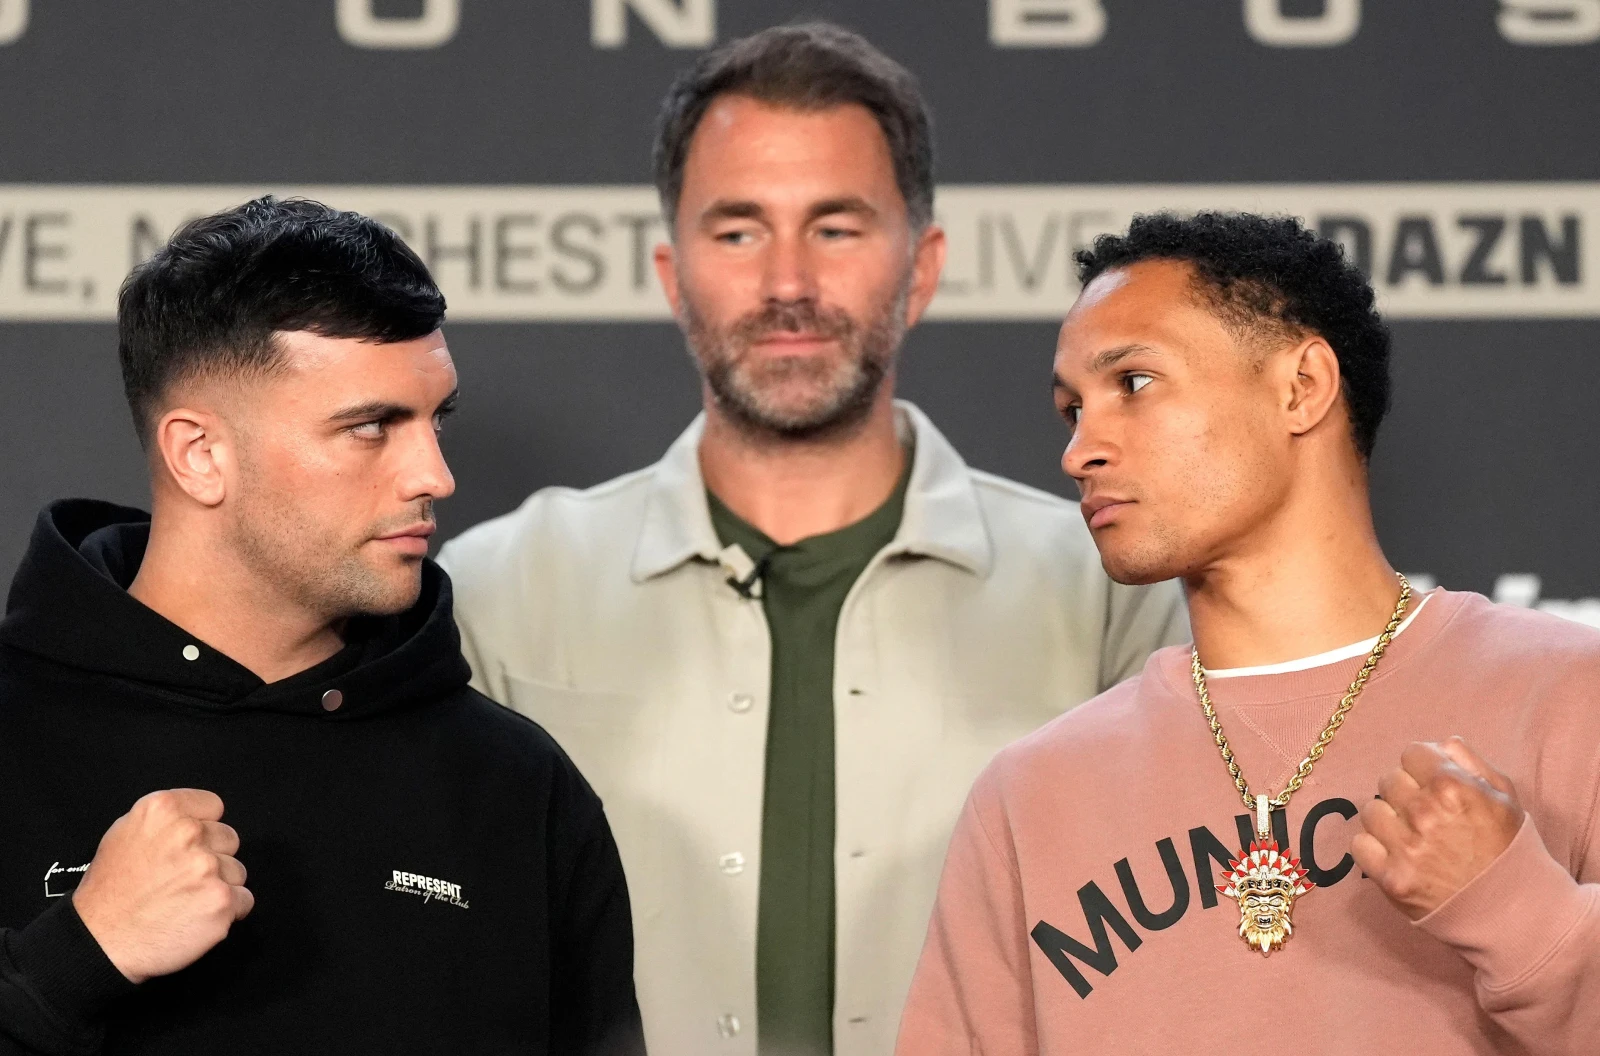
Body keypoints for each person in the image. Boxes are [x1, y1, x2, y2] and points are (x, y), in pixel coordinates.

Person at [437, 23, 1187, 1056]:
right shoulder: (497, 590)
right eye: (738, 231)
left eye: (835, 228)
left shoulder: (1108, 593)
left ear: (920, 269)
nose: (787, 283)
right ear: (671, 272)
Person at [895, 211, 1600, 1055]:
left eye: (1135, 384)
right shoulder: (1028, 798)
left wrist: (1523, 915)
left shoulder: (1570, 700)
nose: (1080, 450)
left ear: (1301, 387)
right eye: (1072, 409)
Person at [0, 197, 645, 1056]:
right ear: (200, 455)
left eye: (434, 420)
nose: (436, 475)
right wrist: (75, 958)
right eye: (372, 427)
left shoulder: (515, 787)